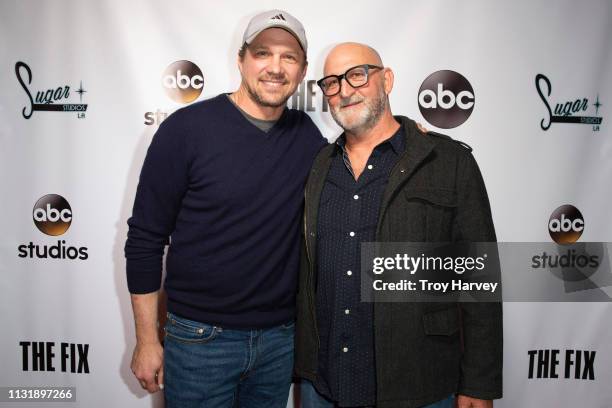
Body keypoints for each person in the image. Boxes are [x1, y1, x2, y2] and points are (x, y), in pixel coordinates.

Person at [124, 10, 328, 408]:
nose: (275, 67)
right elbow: (145, 239)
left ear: (303, 71)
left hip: (279, 342)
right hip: (200, 341)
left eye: (289, 58)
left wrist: (407, 131)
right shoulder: (185, 130)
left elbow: (358, 155)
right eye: (263, 53)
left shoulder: (307, 136)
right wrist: (147, 340)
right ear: (241, 60)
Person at [295, 43, 503, 408]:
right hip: (325, 386)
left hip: (418, 384)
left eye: (357, 75)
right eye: (331, 83)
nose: (344, 90)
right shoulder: (319, 166)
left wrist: (479, 383)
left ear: (386, 79)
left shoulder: (448, 162)